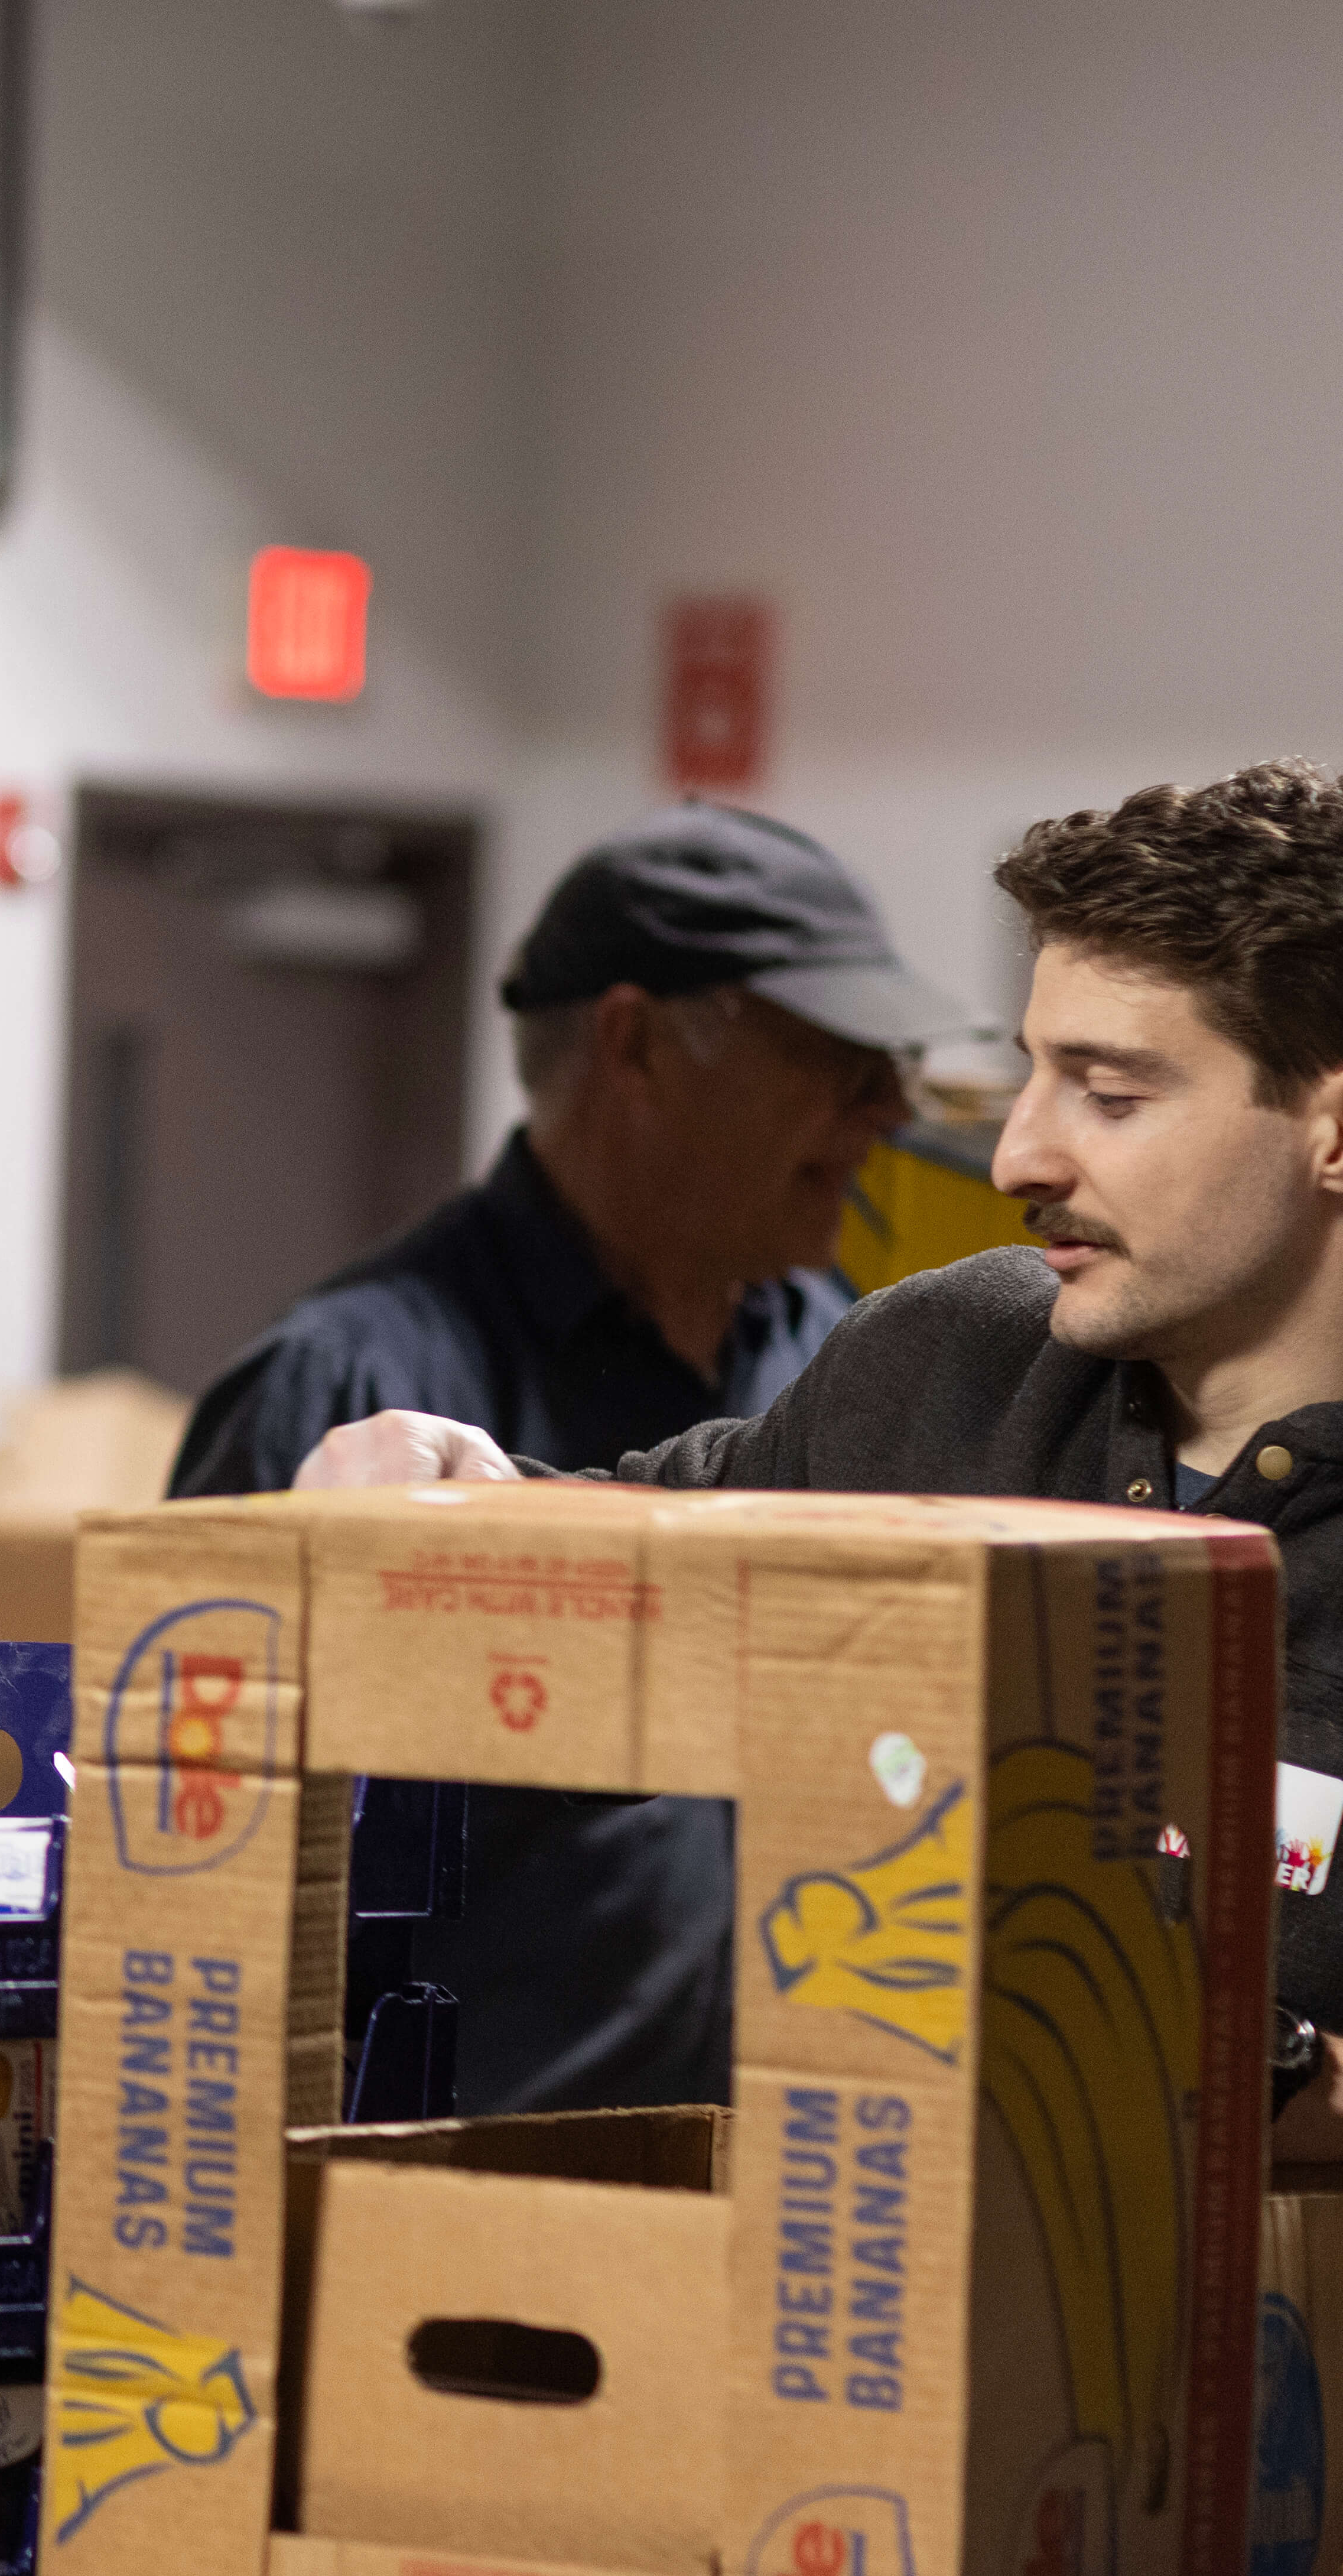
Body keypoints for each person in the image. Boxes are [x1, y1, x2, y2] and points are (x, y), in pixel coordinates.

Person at [300, 761, 1343, 2113]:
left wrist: (1272, 2075)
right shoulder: (943, 1362)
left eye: (1109, 1092)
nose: (1018, 1156)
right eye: (1029, 1075)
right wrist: (441, 1483)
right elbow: (641, 1543)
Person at [175, 804, 969, 2115]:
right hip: (445, 2229)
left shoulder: (843, 1375)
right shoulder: (354, 1391)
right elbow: (196, 1861)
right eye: (835, 1060)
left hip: (779, 2220)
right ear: (634, 1043)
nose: (888, 1111)